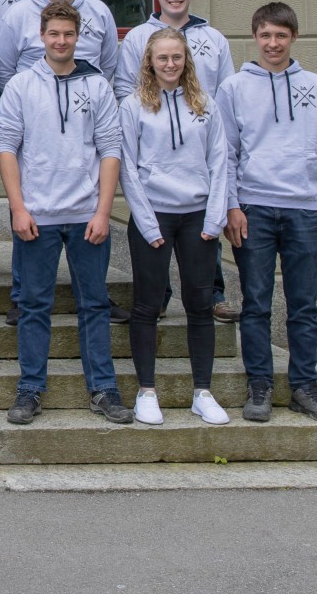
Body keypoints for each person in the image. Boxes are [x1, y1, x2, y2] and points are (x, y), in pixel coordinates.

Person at [0, 2, 132, 426]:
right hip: (37, 216)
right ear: (42, 35)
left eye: (68, 34)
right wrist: (18, 209)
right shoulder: (20, 85)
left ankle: (104, 389)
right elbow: (7, 149)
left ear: (78, 36)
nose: (61, 41)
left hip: (86, 215)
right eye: (53, 33)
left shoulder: (97, 85)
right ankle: (30, 389)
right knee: (33, 305)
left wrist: (103, 211)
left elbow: (110, 150)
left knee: (94, 304)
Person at [217, 2, 317, 424]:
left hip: (304, 210)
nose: (273, 43)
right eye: (266, 35)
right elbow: (226, 153)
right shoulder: (234, 88)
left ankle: (304, 386)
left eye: (281, 35)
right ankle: (260, 385)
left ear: (294, 37)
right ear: (255, 37)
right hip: (253, 209)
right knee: (256, 303)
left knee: (303, 305)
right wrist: (231, 205)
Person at [0, 0, 125, 327]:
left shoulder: (99, 12)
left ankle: (96, 293)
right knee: (28, 213)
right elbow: (5, 69)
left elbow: (108, 66)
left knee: (89, 226)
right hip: (35, 120)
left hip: (84, 119)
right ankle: (22, 294)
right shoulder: (18, 14)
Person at [116, 0, 240, 324]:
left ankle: (213, 295)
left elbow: (227, 94)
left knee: (203, 228)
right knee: (158, 238)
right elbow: (124, 87)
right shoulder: (138, 37)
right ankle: (160, 297)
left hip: (199, 144)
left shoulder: (213, 39)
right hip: (156, 147)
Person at [119, 28, 229, 426]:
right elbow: (127, 167)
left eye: (176, 57)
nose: (170, 64)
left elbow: (220, 161)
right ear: (150, 61)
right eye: (162, 58)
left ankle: (203, 392)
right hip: (154, 216)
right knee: (147, 305)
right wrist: (148, 224)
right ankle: (147, 391)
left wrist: (215, 218)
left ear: (186, 61)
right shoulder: (133, 105)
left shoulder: (205, 104)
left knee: (199, 305)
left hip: (197, 217)